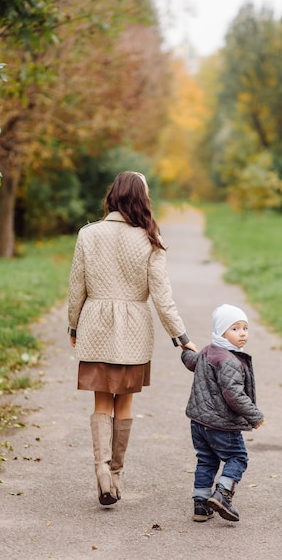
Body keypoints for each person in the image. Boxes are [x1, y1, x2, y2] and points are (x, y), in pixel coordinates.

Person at [68, 171, 197, 507]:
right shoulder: (150, 238)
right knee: (123, 402)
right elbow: (162, 296)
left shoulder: (88, 234)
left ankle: (100, 471)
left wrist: (73, 325)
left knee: (101, 402)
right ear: (141, 198)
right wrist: (181, 337)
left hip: (95, 325)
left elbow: (75, 287)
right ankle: (116, 474)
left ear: (113, 195)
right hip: (133, 332)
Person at [181, 303, 264, 523]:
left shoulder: (208, 351)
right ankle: (223, 494)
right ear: (220, 332)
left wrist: (184, 348)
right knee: (237, 457)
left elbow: (191, 360)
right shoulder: (229, 360)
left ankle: (201, 504)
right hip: (222, 425)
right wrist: (254, 415)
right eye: (234, 329)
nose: (242, 333)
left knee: (206, 460)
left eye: (245, 328)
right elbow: (233, 394)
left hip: (199, 422)